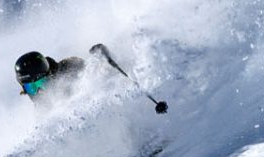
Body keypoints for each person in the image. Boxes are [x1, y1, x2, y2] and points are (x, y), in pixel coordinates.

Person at [14, 44, 169, 113]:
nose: (39, 91)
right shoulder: (43, 107)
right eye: (31, 88)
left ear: (51, 75)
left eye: (41, 83)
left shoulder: (68, 69)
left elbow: (98, 74)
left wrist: (101, 56)